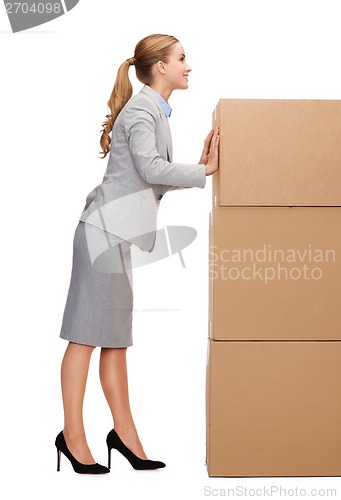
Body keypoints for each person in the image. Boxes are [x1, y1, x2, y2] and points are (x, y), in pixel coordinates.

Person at [55, 33, 219, 474]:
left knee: (114, 341)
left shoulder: (155, 113)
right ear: (160, 67)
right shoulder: (143, 110)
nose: (189, 66)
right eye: (182, 58)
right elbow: (151, 169)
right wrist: (203, 171)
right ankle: (72, 437)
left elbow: (151, 179)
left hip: (117, 236)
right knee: (86, 336)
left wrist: (197, 167)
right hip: (103, 233)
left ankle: (124, 435)